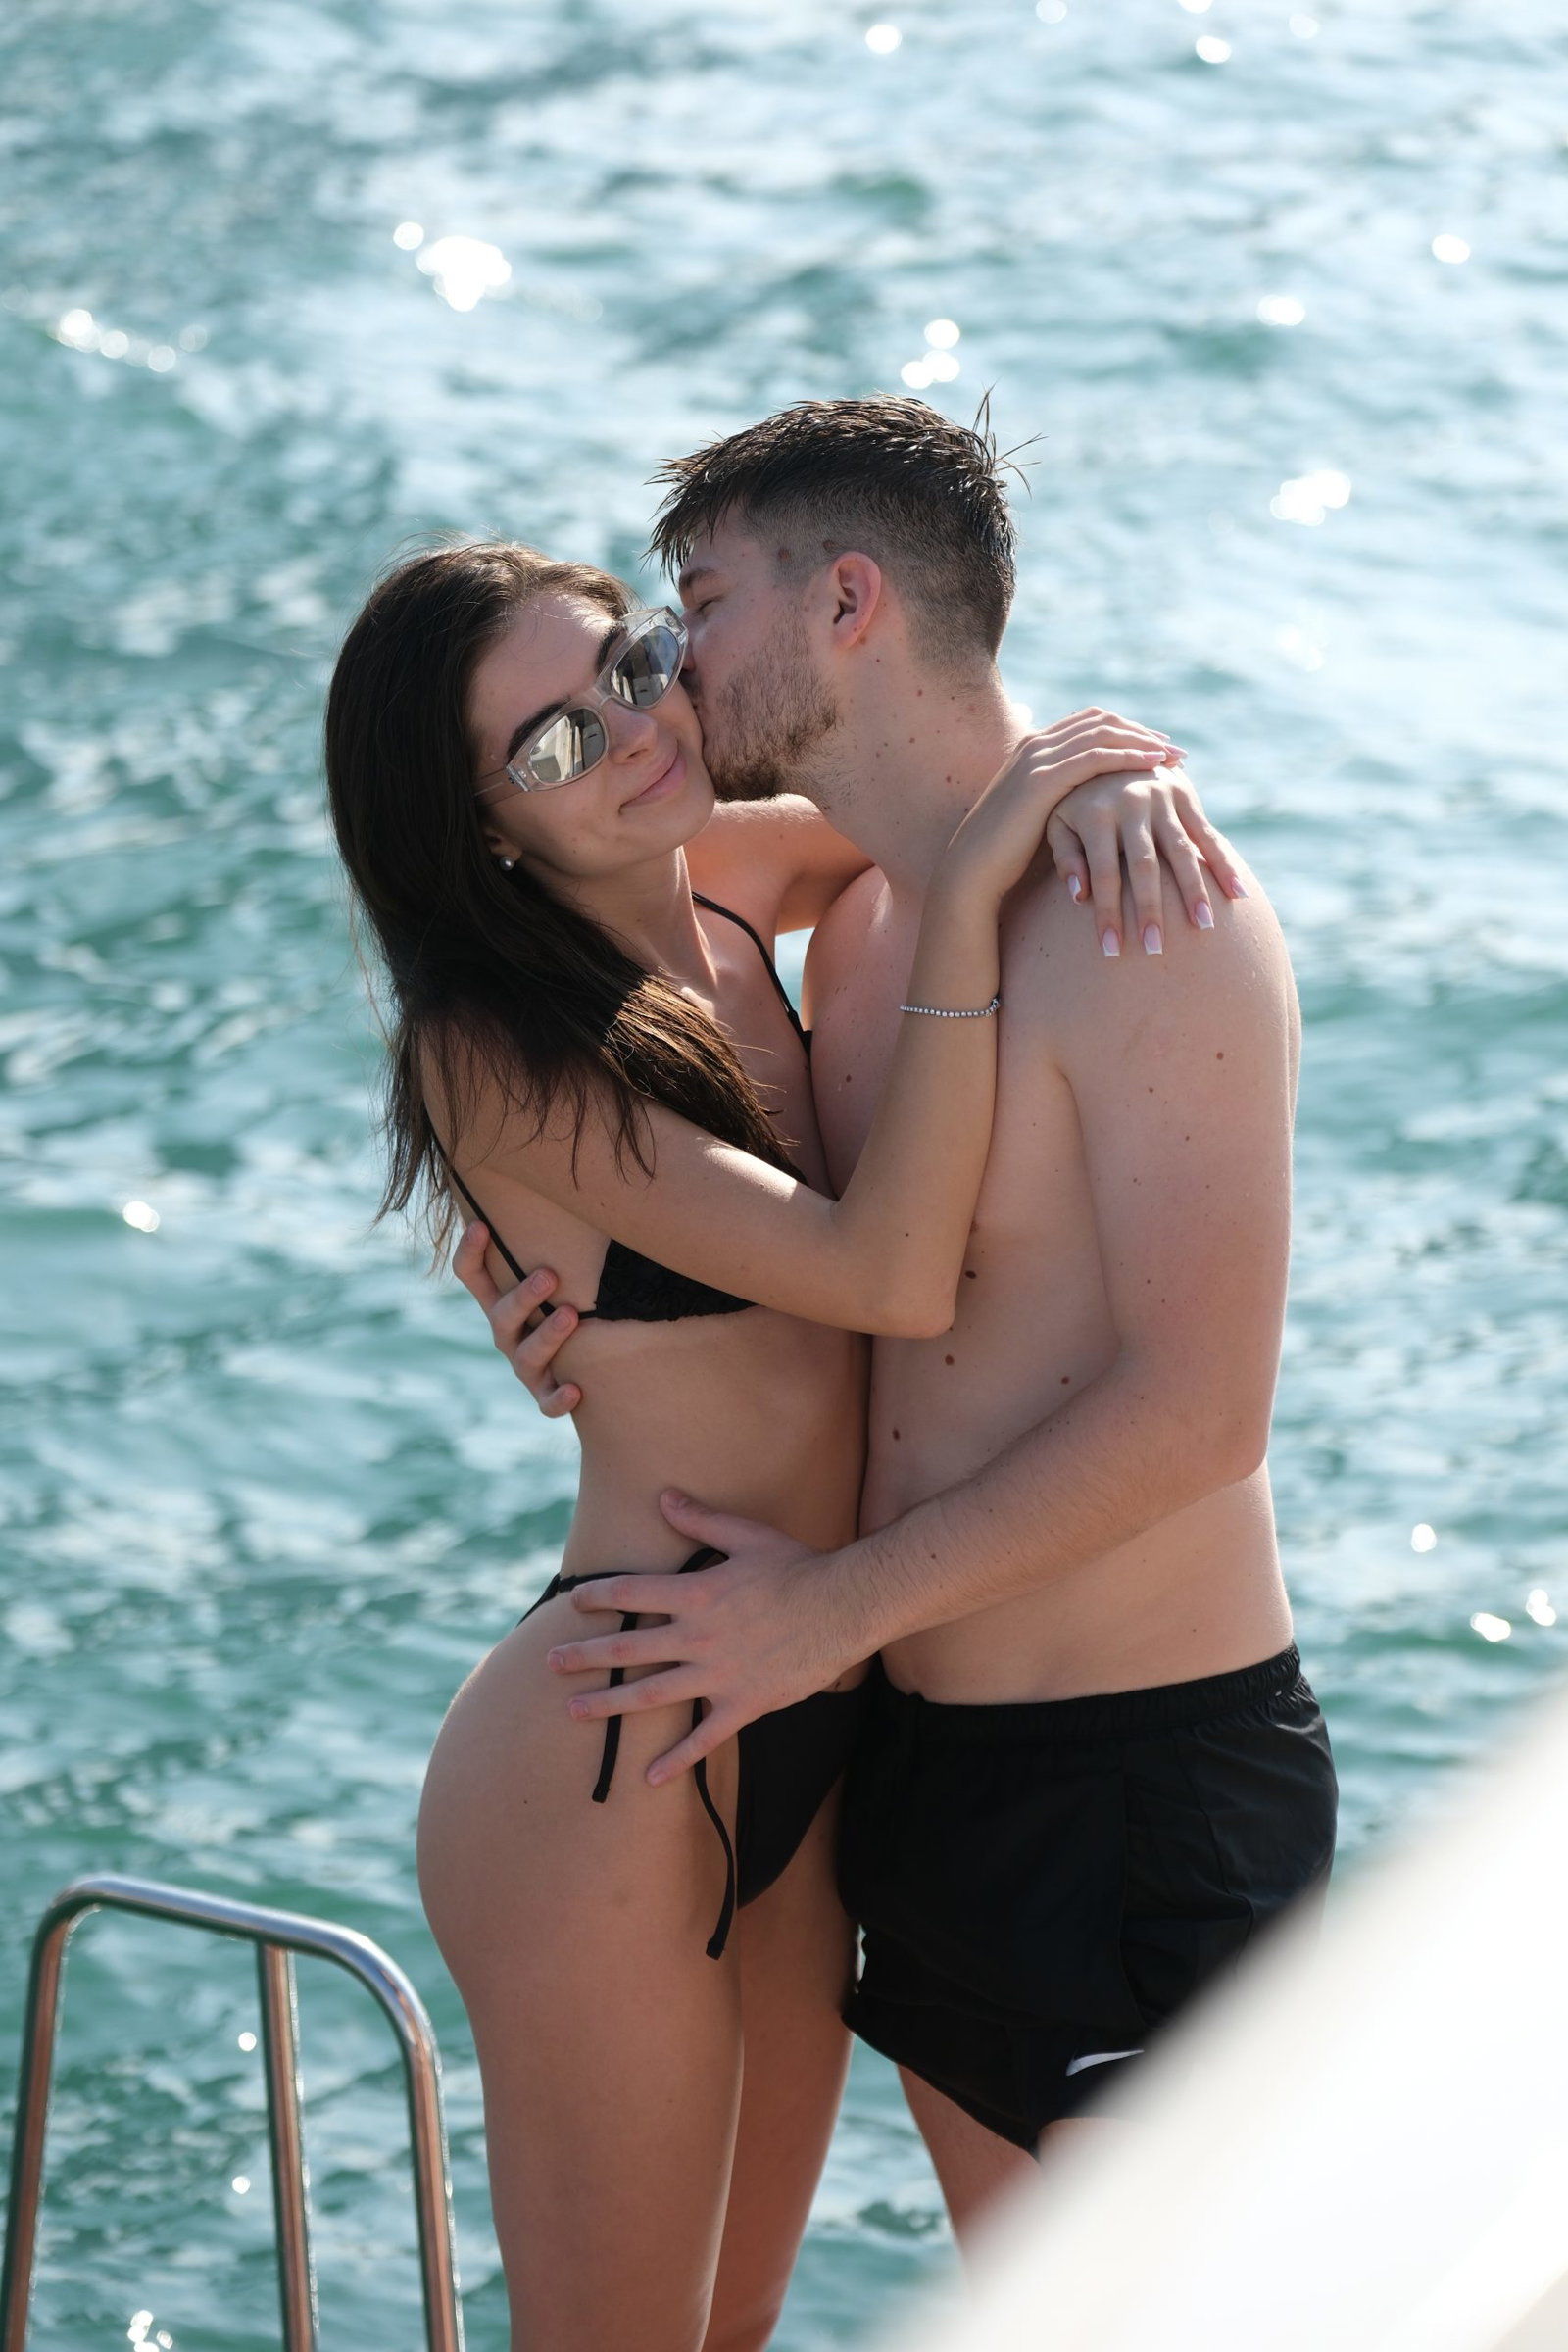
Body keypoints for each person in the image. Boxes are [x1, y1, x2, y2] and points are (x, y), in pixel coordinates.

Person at [323, 536, 1220, 2350]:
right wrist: (965, 914)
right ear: (479, 827)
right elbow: (884, 1273)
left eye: (626, 667)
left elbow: (938, 798)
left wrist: (1111, 785)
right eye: (550, 748)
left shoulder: (725, 878)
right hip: (619, 1735)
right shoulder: (492, 1048)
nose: (629, 736)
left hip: (802, 1683)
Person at [487, 397, 1340, 2244]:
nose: (670, 663)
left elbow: (1206, 1413)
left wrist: (824, 1613)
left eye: (702, 604)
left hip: (1138, 1782)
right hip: (917, 1763)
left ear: (849, 602)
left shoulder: (1153, 916)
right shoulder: (867, 923)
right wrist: (567, 1306)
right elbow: (531, 957)